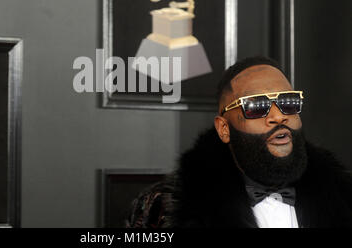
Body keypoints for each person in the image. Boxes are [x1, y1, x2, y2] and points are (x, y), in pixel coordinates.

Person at [125, 56, 352, 228]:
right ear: (224, 129)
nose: (278, 116)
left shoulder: (343, 196)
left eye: (288, 102)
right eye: (256, 106)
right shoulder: (162, 208)